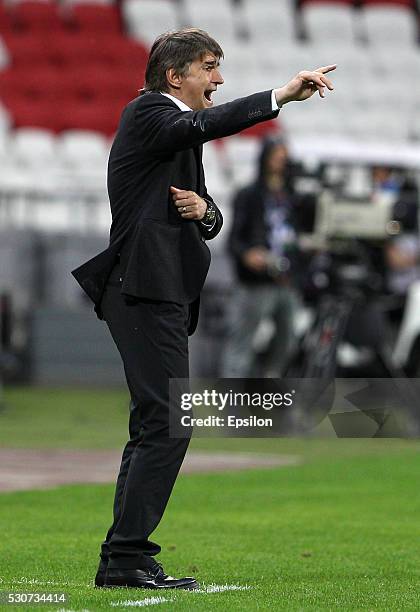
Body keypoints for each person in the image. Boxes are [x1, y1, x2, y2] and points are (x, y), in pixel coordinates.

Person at [71, 27, 336, 590]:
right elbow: (202, 125)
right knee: (168, 423)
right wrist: (278, 98)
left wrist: (206, 212)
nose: (219, 79)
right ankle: (126, 555)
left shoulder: (173, 130)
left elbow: (202, 214)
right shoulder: (149, 114)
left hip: (160, 288)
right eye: (210, 67)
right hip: (141, 287)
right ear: (175, 76)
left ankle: (124, 558)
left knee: (157, 423)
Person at [222, 136, 302, 378]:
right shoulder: (249, 194)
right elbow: (233, 240)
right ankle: (232, 409)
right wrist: (248, 255)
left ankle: (267, 393)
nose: (280, 161)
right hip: (254, 283)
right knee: (241, 344)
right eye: (276, 155)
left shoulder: (293, 196)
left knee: (287, 342)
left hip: (286, 281)